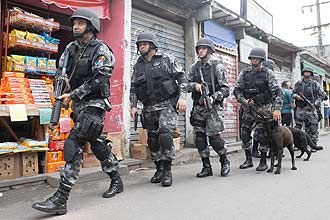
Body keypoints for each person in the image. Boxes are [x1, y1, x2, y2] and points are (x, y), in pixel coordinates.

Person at [32, 8, 123, 215]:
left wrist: (73, 95)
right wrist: (61, 88)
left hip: (95, 105)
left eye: (80, 23)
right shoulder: (70, 49)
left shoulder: (101, 49)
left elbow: (100, 78)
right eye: (74, 23)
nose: (75, 26)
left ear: (91, 26)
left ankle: (60, 198)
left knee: (73, 144)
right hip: (78, 107)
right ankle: (117, 180)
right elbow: (61, 71)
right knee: (98, 145)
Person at [130, 32, 187, 187]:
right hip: (148, 107)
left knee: (164, 135)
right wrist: (134, 106)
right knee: (153, 140)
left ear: (152, 45)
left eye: (144, 44)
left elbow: (182, 78)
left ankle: (167, 170)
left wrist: (182, 97)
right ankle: (159, 168)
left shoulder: (166, 59)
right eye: (139, 45)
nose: (141, 47)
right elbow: (134, 87)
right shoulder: (138, 65)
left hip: (167, 104)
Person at [186, 38, 230, 178]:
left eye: (204, 48)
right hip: (198, 108)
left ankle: (224, 161)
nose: (201, 51)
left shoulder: (218, 67)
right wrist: (195, 86)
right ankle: (206, 167)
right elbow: (184, 84)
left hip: (213, 108)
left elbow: (226, 89)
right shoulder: (194, 67)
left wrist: (214, 96)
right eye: (199, 48)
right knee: (199, 138)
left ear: (210, 50)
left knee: (214, 139)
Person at [233, 48, 283, 171]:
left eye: (257, 58)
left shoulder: (268, 73)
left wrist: (276, 109)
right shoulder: (245, 73)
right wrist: (243, 100)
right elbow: (237, 90)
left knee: (261, 135)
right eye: (252, 58)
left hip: (263, 109)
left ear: (261, 60)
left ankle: (263, 161)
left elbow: (277, 92)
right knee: (244, 134)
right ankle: (248, 160)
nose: (254, 60)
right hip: (249, 107)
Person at [292, 67, 325, 151]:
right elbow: (293, 93)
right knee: (298, 127)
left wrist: (315, 104)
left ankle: (313, 145)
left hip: (310, 108)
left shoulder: (315, 84)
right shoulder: (298, 83)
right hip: (300, 108)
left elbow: (322, 95)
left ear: (311, 74)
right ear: (303, 73)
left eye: (308, 72)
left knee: (312, 127)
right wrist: (296, 96)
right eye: (305, 72)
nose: (306, 73)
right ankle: (298, 144)